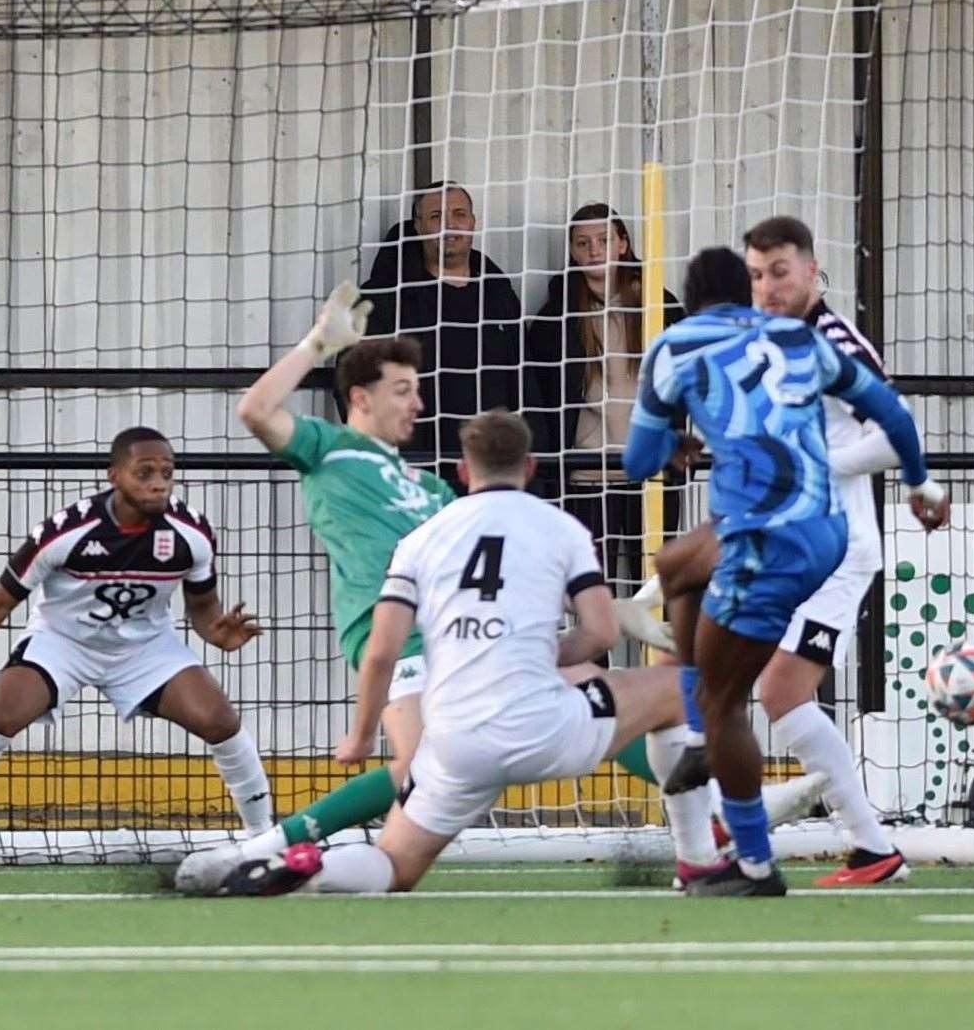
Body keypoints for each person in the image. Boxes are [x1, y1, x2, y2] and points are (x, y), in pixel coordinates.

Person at [210, 411, 711, 896]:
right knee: (673, 690)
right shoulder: (561, 528)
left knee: (394, 865)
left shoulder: (421, 538)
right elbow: (600, 634)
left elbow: (382, 652)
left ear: (464, 471)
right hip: (545, 730)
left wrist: (361, 736)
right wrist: (542, 653)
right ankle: (699, 855)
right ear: (530, 467)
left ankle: (312, 864)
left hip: (453, 743)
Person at [623, 247, 949, 896]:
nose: (770, 289)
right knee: (686, 680)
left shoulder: (829, 339)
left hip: (830, 542)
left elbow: (892, 429)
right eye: (760, 278)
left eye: (780, 275)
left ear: (811, 275)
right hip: (770, 535)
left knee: (770, 693)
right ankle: (713, 844)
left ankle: (848, 842)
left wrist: (815, 472)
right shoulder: (765, 344)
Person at [0, 426, 275, 872]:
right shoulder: (64, 532)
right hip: (62, 642)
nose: (159, 483)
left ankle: (263, 840)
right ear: (114, 476)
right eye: (145, 472)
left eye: (167, 473)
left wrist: (217, 635)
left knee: (220, 720)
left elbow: (204, 609)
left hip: (145, 647)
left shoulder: (192, 535)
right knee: (4, 712)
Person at [172, 285, 456, 896]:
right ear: (360, 397)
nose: (418, 404)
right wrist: (316, 345)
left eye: (417, 389)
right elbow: (255, 410)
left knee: (572, 712)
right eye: (402, 390)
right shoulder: (331, 450)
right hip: (393, 630)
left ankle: (285, 856)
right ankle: (270, 852)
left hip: (457, 631)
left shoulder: (433, 487)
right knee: (421, 767)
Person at [525, 203, 685, 588]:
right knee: (591, 591)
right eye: (583, 243)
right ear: (573, 252)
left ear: (622, 244)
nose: (594, 250)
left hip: (650, 474)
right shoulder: (554, 319)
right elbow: (542, 400)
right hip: (586, 475)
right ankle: (598, 653)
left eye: (603, 240)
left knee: (658, 590)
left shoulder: (660, 308)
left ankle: (665, 652)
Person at [359, 180, 527, 464]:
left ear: (473, 221)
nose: (450, 225)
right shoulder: (385, 297)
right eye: (437, 216)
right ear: (418, 225)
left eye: (459, 214)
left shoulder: (498, 291)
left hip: (489, 465)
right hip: (416, 467)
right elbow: (356, 381)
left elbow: (524, 380)